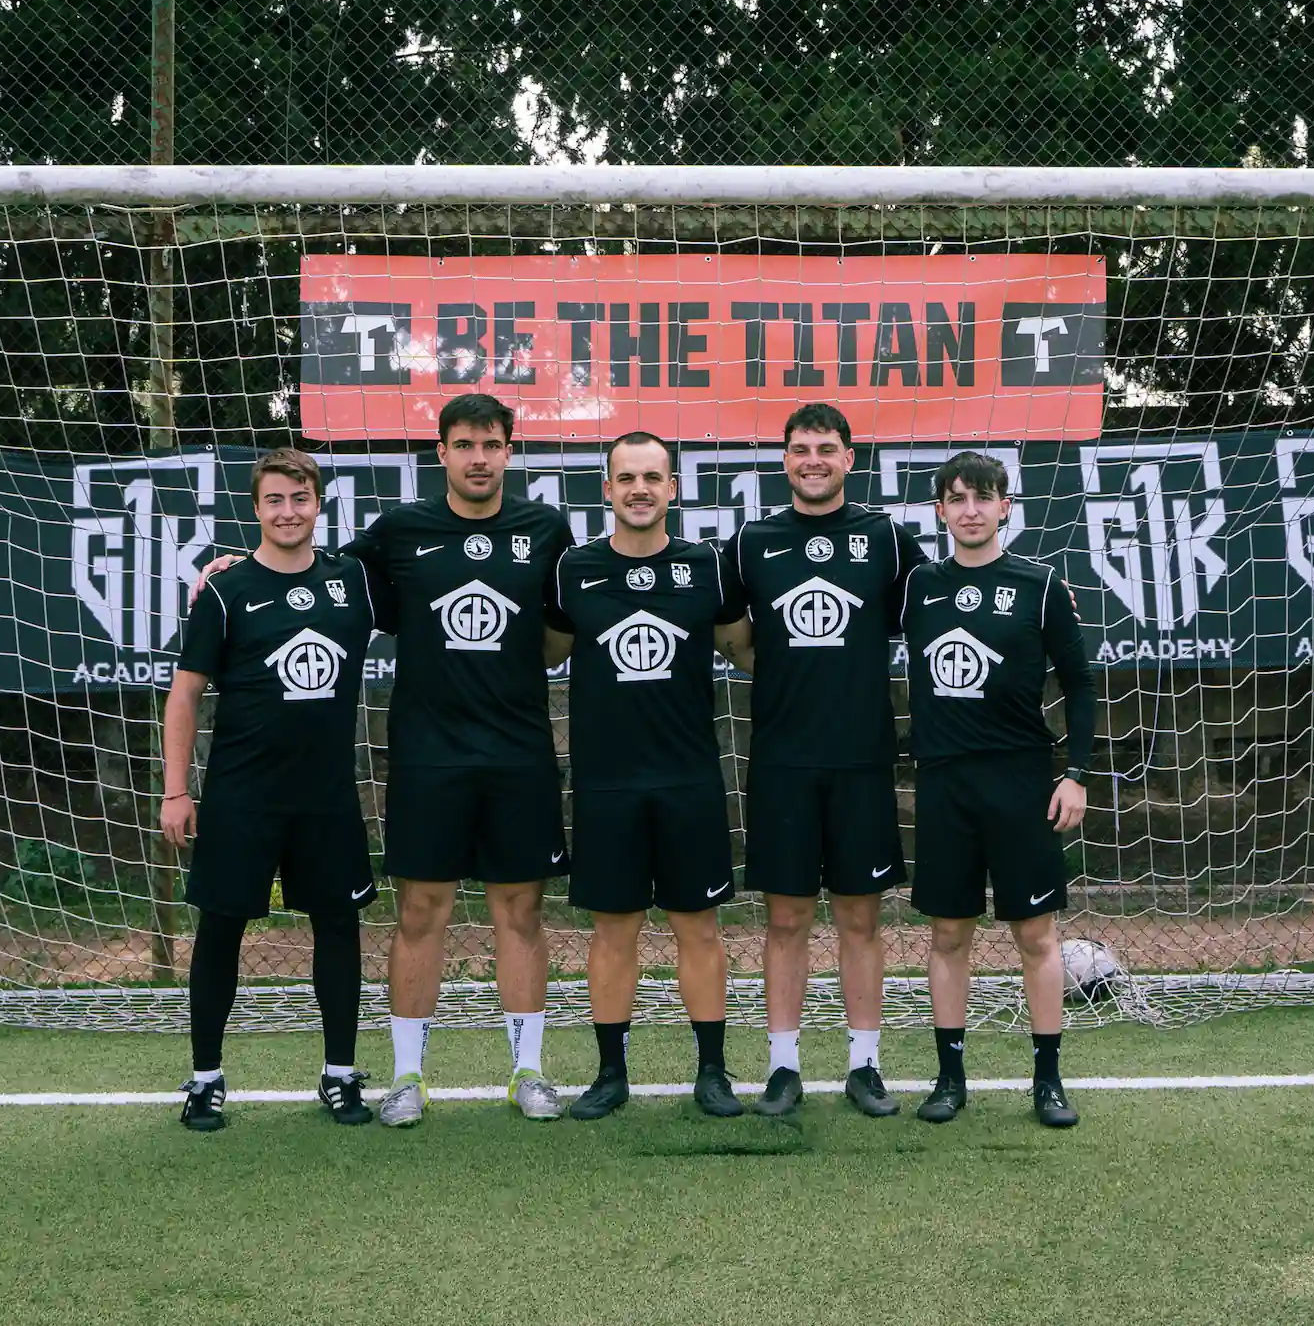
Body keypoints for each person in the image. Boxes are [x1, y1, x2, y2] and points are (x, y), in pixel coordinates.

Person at [198, 393, 574, 1126]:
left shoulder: (546, 530)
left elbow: (559, 630)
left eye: (490, 444)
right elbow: (307, 571)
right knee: (420, 911)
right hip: (428, 754)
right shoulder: (399, 533)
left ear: (508, 451)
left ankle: (528, 1069)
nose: (477, 457)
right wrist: (244, 563)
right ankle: (406, 1076)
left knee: (520, 911)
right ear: (441, 452)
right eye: (462, 444)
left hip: (519, 750)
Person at [715, 403, 928, 1117]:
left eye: (826, 448)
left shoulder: (887, 540)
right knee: (785, 920)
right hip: (781, 761)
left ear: (848, 458)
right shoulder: (752, 541)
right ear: (784, 460)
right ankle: (783, 1066)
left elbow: (936, 614)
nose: (813, 459)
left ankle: (865, 1065)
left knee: (861, 920)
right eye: (801, 448)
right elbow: (730, 633)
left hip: (863, 761)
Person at [164, 447, 380, 1131]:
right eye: (275, 500)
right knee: (221, 929)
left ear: (319, 503)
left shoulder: (355, 583)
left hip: (325, 797)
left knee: (339, 927)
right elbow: (184, 694)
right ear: (255, 509)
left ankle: (340, 1075)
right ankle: (204, 1079)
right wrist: (176, 790)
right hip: (240, 795)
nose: (289, 511)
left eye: (300, 497)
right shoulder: (225, 589)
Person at [546, 432, 748, 1120]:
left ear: (673, 488)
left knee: (700, 928)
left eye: (652, 477)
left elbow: (752, 650)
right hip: (606, 783)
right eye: (625, 476)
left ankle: (713, 1072)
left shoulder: (708, 568)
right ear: (606, 488)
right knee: (614, 931)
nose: (639, 488)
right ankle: (610, 1073)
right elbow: (538, 649)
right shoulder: (573, 570)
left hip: (688, 778)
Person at [896, 451, 1095, 1127]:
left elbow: (1080, 681)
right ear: (940, 510)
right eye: (958, 498)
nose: (971, 509)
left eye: (984, 497)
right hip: (945, 782)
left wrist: (1078, 773)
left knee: (1035, 935)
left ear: (1006, 505)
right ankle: (950, 1078)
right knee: (948, 934)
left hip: (1020, 782)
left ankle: (1048, 1080)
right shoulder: (917, 585)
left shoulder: (1040, 586)